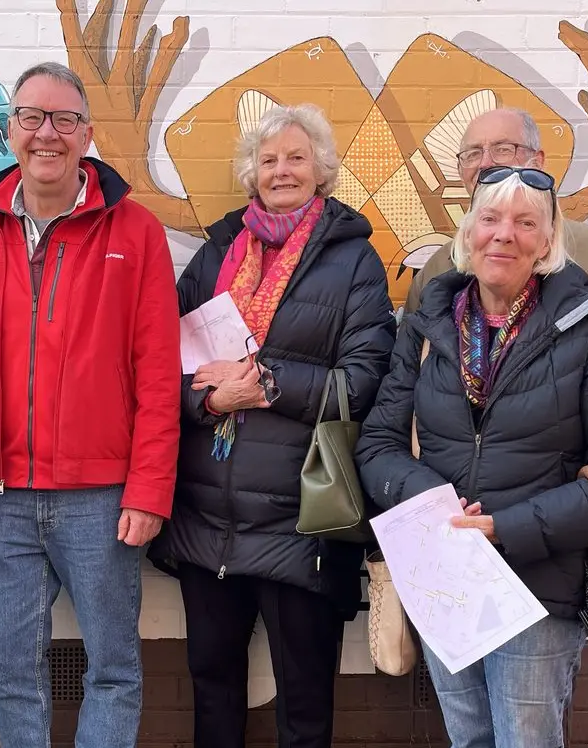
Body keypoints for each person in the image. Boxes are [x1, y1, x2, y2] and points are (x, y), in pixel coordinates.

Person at [356, 165, 588, 747]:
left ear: (548, 241)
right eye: (490, 218)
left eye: (525, 222)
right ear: (467, 234)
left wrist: (507, 528)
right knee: (468, 740)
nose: (504, 234)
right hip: (446, 576)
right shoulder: (425, 327)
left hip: (536, 583)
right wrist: (434, 504)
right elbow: (378, 444)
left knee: (526, 740)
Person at [0, 62, 180, 748]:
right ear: (10, 130)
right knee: (11, 671)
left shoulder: (137, 233)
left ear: (87, 134)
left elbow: (158, 373)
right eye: (32, 117)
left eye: (64, 120)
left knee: (114, 669)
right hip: (1, 494)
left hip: (103, 497)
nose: (48, 134)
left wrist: (150, 486)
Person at [145, 103, 395, 748]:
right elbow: (160, 367)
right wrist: (209, 402)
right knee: (213, 688)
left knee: (305, 702)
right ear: (251, 174)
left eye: (296, 158)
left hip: (298, 520)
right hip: (208, 518)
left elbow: (364, 382)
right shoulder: (215, 254)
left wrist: (269, 381)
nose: (281, 170)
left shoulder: (355, 261)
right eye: (268, 159)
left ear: (322, 171)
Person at [405, 108, 588, 360]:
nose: (485, 163)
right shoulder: (436, 269)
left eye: (503, 148)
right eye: (473, 153)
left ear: (538, 162)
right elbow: (405, 375)